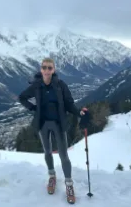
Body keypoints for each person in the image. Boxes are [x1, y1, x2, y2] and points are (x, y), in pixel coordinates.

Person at [18, 57, 90, 203]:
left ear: (54, 70)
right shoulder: (37, 86)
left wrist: (79, 113)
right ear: (41, 69)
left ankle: (69, 184)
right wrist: (33, 108)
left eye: (49, 68)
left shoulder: (60, 85)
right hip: (43, 123)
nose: (46, 70)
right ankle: (52, 177)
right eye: (44, 67)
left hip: (58, 123)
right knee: (47, 151)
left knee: (63, 155)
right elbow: (22, 97)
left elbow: (69, 104)